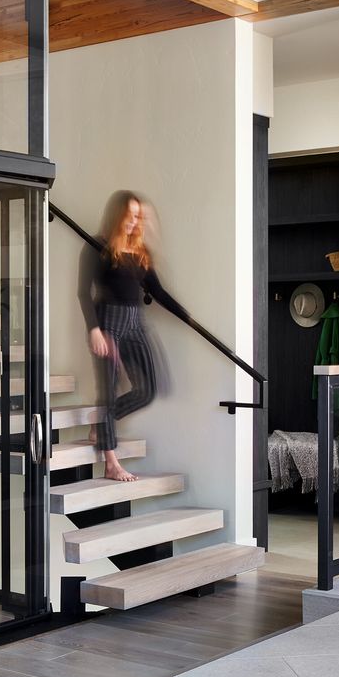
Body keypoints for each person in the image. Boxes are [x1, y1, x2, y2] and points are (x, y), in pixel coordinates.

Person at [78, 191, 189, 481]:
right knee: (108, 388)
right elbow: (83, 292)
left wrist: (187, 317)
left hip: (135, 322)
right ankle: (111, 463)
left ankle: (103, 423)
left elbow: (158, 291)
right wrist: (94, 330)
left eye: (138, 216)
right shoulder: (96, 247)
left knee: (148, 389)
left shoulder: (140, 252)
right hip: (108, 324)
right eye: (130, 215)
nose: (134, 221)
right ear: (117, 215)